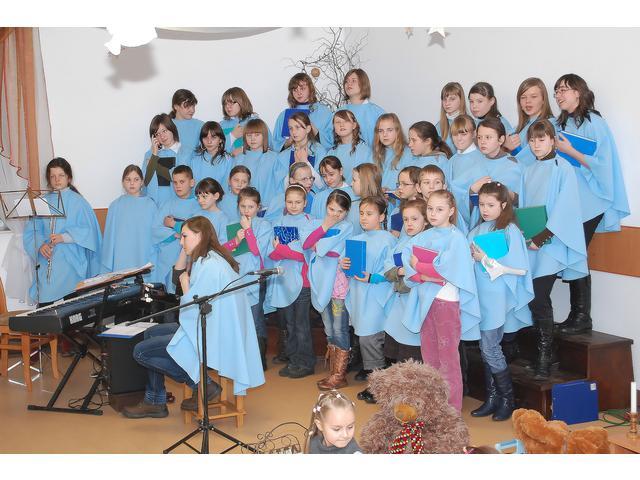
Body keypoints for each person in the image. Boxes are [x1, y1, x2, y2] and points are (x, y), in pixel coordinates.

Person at [122, 216, 265, 419]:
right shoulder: (208, 258)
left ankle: (201, 383)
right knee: (151, 333)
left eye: (184, 236)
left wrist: (185, 285)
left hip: (213, 334)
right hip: (212, 326)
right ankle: (155, 401)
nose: (181, 242)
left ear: (199, 236)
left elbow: (195, 309)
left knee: (140, 352)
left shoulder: (211, 265)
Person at [552, 73, 630, 335]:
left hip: (590, 199)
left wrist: (571, 151)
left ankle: (581, 316)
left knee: (577, 252)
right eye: (556, 91)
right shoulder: (562, 123)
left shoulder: (594, 122)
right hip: (571, 200)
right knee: (572, 252)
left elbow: (603, 164)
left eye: (563, 90)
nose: (559, 95)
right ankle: (576, 315)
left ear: (578, 92)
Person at [402, 190, 481, 411]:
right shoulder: (423, 236)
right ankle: (433, 406)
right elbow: (408, 258)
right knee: (429, 357)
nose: (433, 213)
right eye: (430, 209)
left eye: (439, 209)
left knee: (448, 359)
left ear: (451, 211)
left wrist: (420, 267)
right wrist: (424, 274)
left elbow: (445, 269)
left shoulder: (457, 238)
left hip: (446, 302)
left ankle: (451, 410)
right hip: (426, 300)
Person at [521, 119, 588, 379]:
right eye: (532, 140)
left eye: (541, 139)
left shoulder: (564, 168)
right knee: (532, 298)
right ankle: (547, 354)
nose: (536, 144)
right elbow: (524, 208)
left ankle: (544, 357)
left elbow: (565, 208)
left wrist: (543, 235)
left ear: (552, 140)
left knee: (539, 297)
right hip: (531, 243)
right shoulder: (528, 170)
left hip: (551, 242)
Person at [467, 182, 533, 421]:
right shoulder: (477, 229)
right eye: (482, 204)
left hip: (497, 295)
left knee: (490, 347)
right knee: (486, 348)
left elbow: (519, 269)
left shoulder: (509, 230)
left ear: (503, 205)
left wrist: (484, 259)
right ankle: (493, 398)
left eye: (490, 205)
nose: (485, 209)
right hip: (480, 294)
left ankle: (507, 399)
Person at [340, 195, 396, 403]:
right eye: (361, 213)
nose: (363, 217)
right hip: (358, 294)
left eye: (369, 214)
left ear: (381, 216)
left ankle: (378, 388)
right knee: (365, 339)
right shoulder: (357, 239)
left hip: (376, 295)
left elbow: (392, 271)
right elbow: (350, 269)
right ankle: (375, 383)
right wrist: (345, 266)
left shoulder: (388, 240)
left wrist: (373, 277)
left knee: (370, 339)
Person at [23, 157, 102, 305]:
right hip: (48, 259)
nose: (57, 179)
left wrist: (64, 237)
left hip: (71, 260)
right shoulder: (42, 201)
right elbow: (32, 230)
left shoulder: (78, 202)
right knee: (44, 301)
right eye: (52, 176)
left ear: (69, 178)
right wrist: (40, 245)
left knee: (72, 306)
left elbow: (89, 232)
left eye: (61, 175)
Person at [302, 189, 354, 390]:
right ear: (326, 207)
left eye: (340, 211)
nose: (335, 215)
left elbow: (323, 249)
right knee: (329, 329)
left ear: (346, 212)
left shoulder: (347, 226)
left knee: (340, 328)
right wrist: (324, 227)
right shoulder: (317, 224)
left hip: (338, 287)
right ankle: (333, 372)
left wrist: (320, 245)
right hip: (321, 284)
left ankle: (339, 375)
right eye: (331, 209)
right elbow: (307, 244)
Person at [267, 184, 315, 379]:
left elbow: (304, 255)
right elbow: (271, 252)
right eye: (290, 202)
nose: (294, 206)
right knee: (289, 325)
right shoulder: (279, 221)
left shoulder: (310, 222)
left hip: (302, 281)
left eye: (298, 202)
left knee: (301, 325)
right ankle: (294, 360)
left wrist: (282, 249)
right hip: (283, 281)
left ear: (305, 203)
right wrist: (283, 251)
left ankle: (306, 363)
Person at [222, 187, 272, 370]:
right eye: (243, 206)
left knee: (255, 319)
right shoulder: (232, 225)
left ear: (258, 207)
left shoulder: (264, 225)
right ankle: (241, 359)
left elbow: (257, 251)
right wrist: (236, 240)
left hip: (255, 278)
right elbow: (223, 250)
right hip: (236, 278)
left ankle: (258, 361)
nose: (246, 211)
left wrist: (248, 231)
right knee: (238, 319)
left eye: (251, 207)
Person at [382, 198, 428, 364]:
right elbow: (388, 268)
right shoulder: (401, 243)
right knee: (397, 353)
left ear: (426, 220)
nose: (409, 223)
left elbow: (423, 272)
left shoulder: (428, 242)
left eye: (414, 219)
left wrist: (404, 272)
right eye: (406, 219)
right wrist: (399, 271)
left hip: (417, 303)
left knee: (413, 355)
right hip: (399, 304)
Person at [101, 165, 158, 277]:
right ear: (123, 182)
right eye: (128, 179)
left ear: (142, 182)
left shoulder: (150, 205)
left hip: (143, 252)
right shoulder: (115, 206)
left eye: (136, 179)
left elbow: (155, 233)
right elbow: (109, 238)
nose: (132, 183)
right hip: (121, 254)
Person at [150, 165, 200, 293]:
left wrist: (173, 225)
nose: (178, 186)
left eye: (182, 182)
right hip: (167, 257)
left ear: (192, 183)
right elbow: (155, 229)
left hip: (188, 259)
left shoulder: (198, 205)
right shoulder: (167, 204)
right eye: (175, 182)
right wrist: (176, 235)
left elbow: (196, 230)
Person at [272, 72, 334, 151]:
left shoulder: (324, 112)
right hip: (292, 154)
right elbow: (276, 144)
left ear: (310, 89)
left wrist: (312, 129)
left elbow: (331, 140)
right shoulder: (284, 115)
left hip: (317, 154)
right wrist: (289, 141)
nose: (299, 93)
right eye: (295, 90)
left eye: (302, 88)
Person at [502, 78, 555, 167]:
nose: (527, 101)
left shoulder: (550, 124)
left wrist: (513, 149)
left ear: (543, 100)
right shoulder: (519, 127)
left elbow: (532, 162)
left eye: (533, 96)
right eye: (523, 97)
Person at [234, 118, 286, 207]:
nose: (252, 139)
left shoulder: (275, 158)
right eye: (249, 135)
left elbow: (281, 188)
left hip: (269, 208)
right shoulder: (239, 159)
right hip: (245, 208)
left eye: (257, 135)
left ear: (264, 136)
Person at [142, 113, 191, 206]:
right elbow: (145, 181)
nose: (162, 136)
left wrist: (153, 164)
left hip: (176, 205)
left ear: (171, 128)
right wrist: (154, 154)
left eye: (164, 131)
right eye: (157, 134)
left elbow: (177, 177)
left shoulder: (185, 153)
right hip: (152, 205)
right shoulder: (150, 154)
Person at [276, 111, 327, 191]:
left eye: (297, 127)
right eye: (291, 128)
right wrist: (295, 166)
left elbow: (322, 185)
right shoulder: (283, 156)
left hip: (315, 197)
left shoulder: (320, 151)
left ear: (308, 129)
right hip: (292, 197)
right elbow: (282, 187)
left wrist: (305, 162)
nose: (293, 132)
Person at [417, 165, 469, 236]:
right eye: (427, 182)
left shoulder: (449, 210)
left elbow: (461, 235)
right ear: (418, 188)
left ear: (444, 187)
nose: (431, 186)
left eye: (437, 182)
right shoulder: (414, 209)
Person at [220, 87, 273, 156]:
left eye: (231, 102)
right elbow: (215, 149)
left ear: (241, 102)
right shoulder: (221, 125)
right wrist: (232, 136)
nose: (227, 106)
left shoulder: (255, 122)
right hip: (228, 162)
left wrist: (244, 149)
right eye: (225, 103)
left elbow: (269, 146)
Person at [325, 109, 372, 183]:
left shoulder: (366, 151)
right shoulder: (331, 153)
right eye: (338, 122)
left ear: (354, 125)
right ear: (334, 128)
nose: (341, 125)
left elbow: (370, 179)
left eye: (346, 121)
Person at [342, 68, 385, 146]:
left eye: (353, 80)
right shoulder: (340, 112)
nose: (349, 84)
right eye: (346, 81)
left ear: (363, 84)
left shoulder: (377, 112)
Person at [372, 113, 413, 192]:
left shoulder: (408, 153)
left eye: (389, 130)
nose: (385, 134)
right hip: (380, 198)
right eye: (381, 131)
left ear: (397, 131)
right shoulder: (377, 153)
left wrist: (393, 191)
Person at [190, 121, 234, 188]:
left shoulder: (228, 160)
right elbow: (193, 188)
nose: (209, 141)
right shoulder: (194, 160)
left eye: (213, 137)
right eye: (205, 137)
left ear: (220, 139)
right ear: (201, 140)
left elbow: (227, 188)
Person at [311, 156, 356, 220]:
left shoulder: (354, 195)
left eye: (331, 174)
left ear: (341, 171)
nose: (328, 179)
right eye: (324, 176)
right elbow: (313, 221)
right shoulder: (318, 197)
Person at [349, 163, 384, 235]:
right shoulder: (352, 205)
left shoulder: (383, 206)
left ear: (365, 183)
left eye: (354, 180)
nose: (351, 184)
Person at [388, 166, 420, 238]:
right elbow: (393, 239)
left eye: (405, 184)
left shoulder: (423, 210)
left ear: (417, 186)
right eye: (399, 184)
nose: (399, 187)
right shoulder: (397, 211)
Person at [195, 177, 229, 243]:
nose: (200, 200)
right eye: (198, 197)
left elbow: (223, 243)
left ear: (216, 196)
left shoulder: (223, 218)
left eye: (204, 196)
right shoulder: (196, 215)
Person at [169, 89, 204, 153]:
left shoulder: (200, 125)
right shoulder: (166, 126)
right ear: (176, 106)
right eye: (187, 106)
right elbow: (156, 151)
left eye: (193, 106)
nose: (192, 110)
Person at [436, 82, 467, 152]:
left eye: (452, 99)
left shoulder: (471, 124)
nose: (447, 103)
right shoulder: (438, 126)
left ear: (461, 100)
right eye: (444, 99)